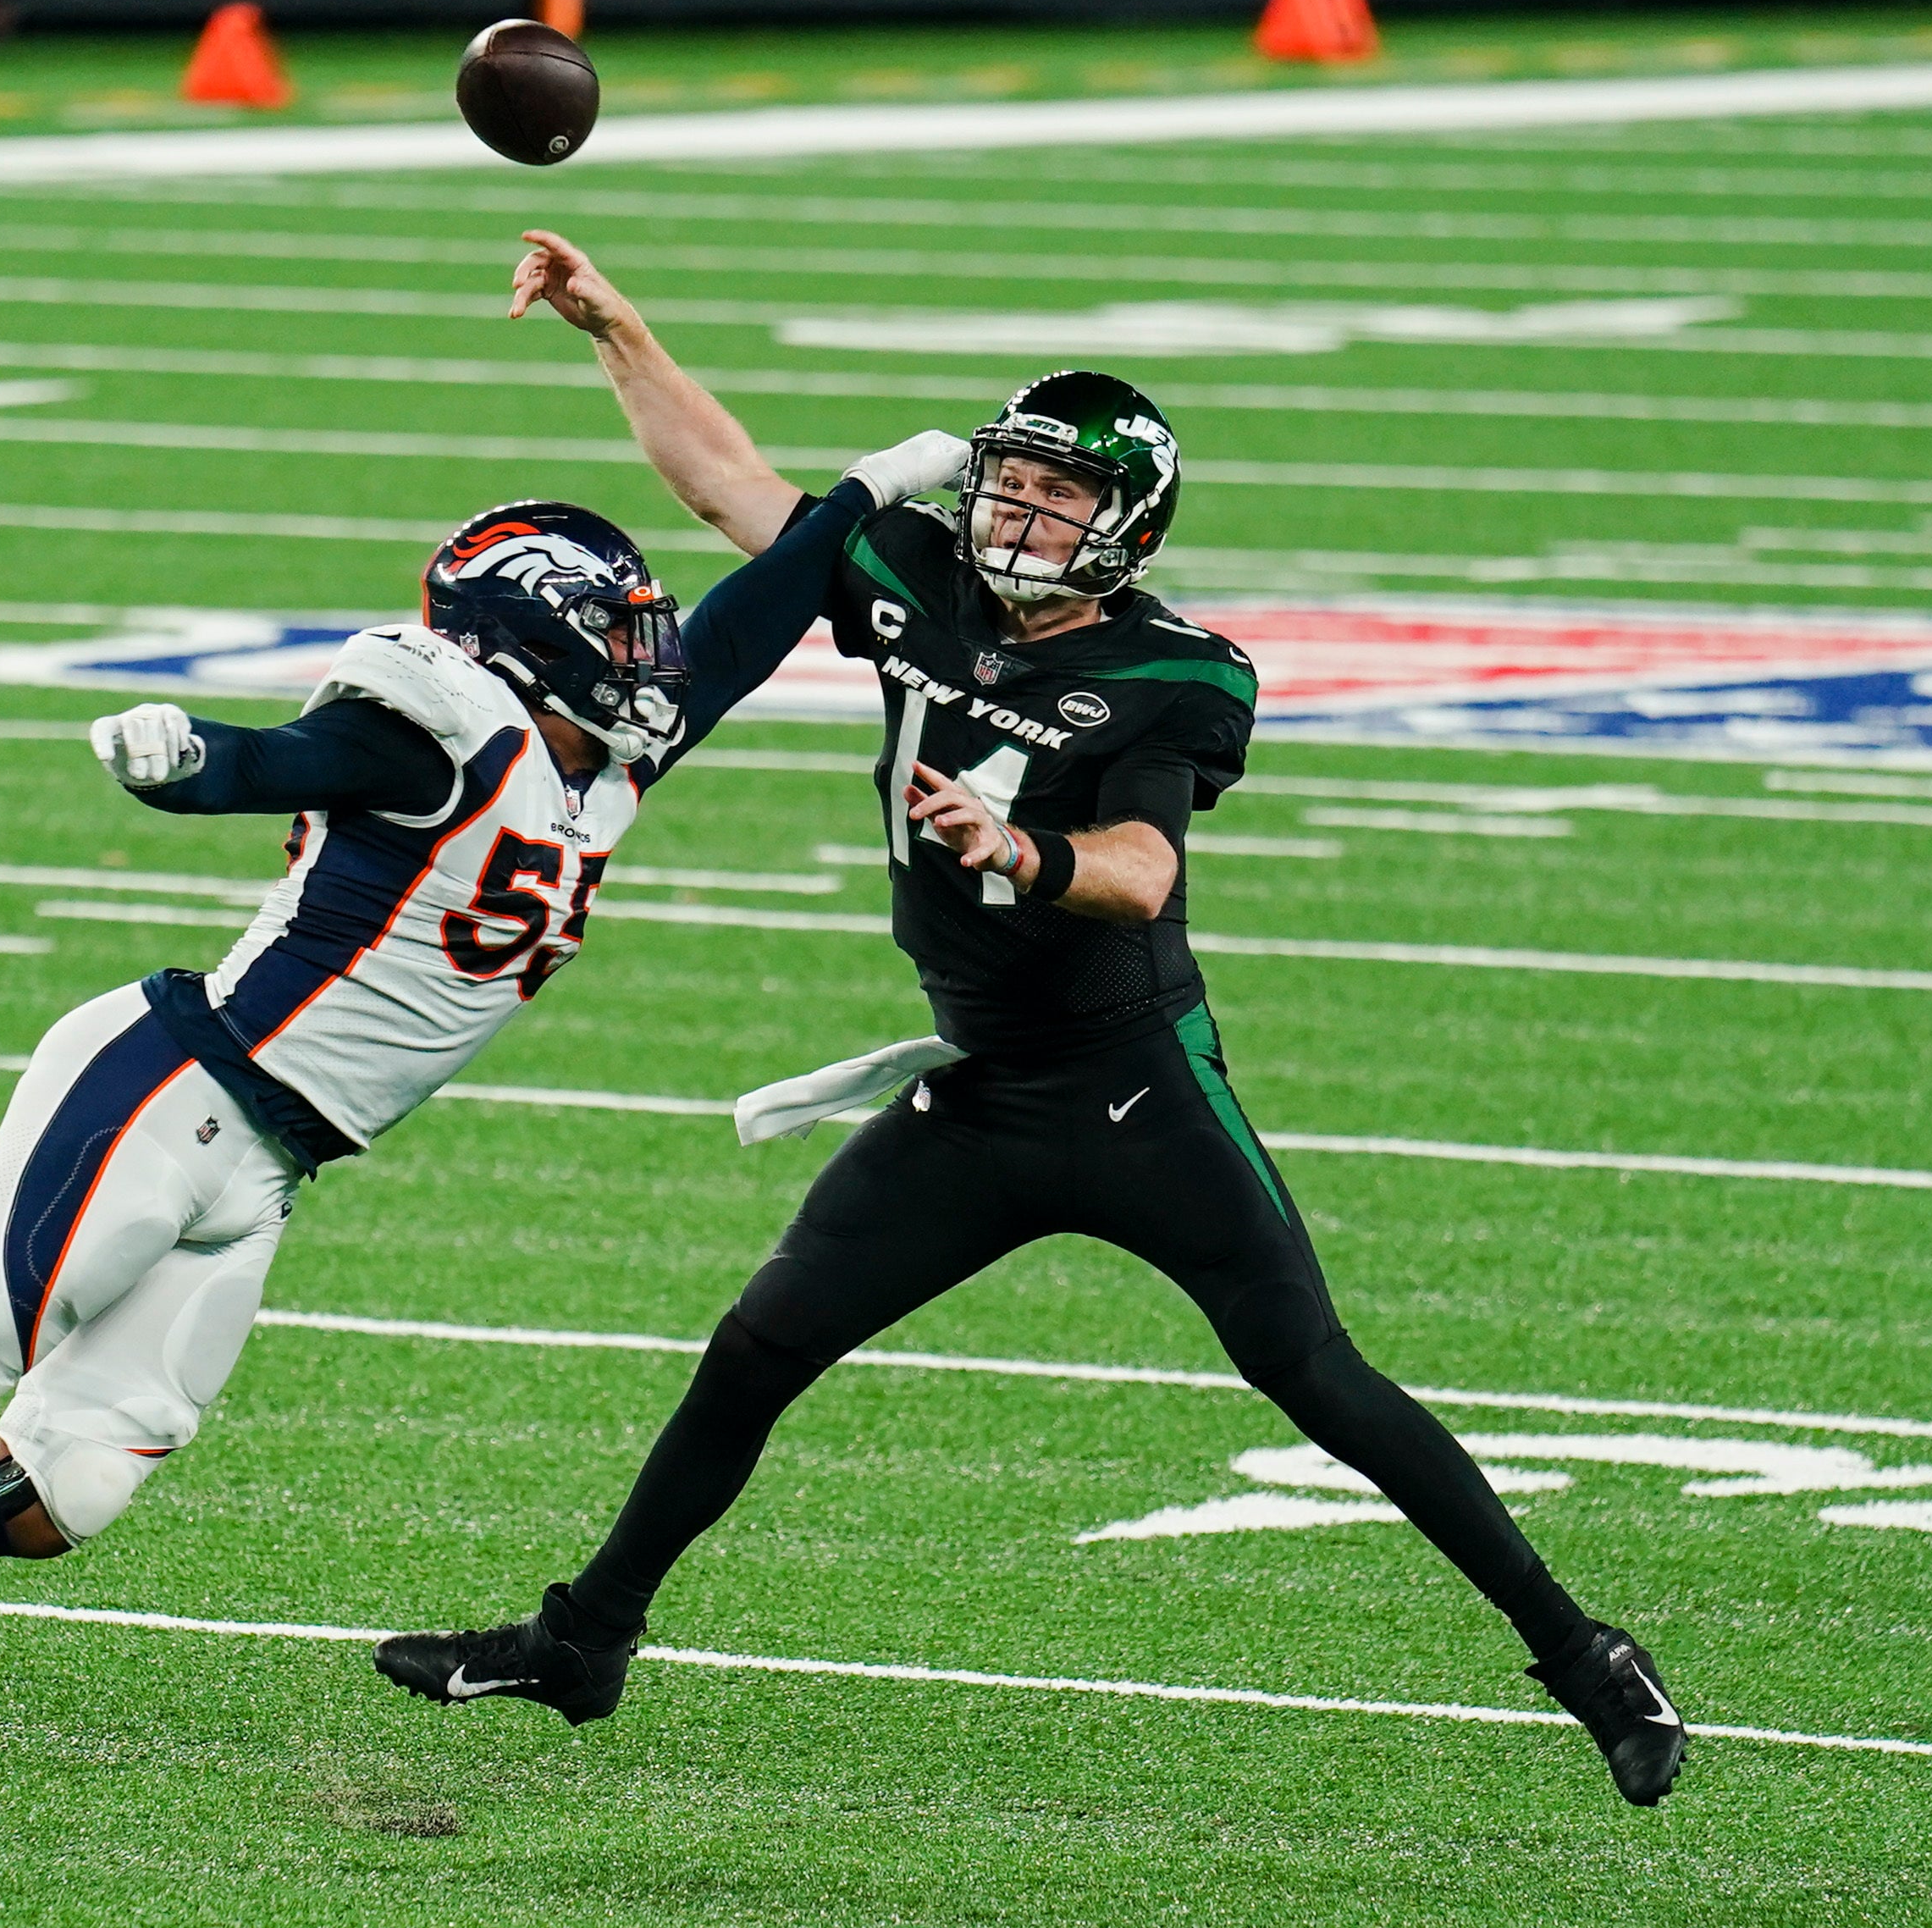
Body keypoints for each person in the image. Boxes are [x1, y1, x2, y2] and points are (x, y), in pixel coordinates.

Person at [373, 231, 1686, 1809]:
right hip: (982, 1089)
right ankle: (585, 1642)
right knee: (760, 1344)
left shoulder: (1177, 672)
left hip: (1132, 1083)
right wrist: (614, 327)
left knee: (1314, 1371)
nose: (1017, 510)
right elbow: (731, 486)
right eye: (1013, 480)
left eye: (1062, 496)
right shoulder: (920, 577)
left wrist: (1022, 849)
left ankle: (1584, 1652)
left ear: (1126, 525)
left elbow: (1139, 874)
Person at [0, 445, 975, 1841]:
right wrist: (184, 760)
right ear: (529, 633)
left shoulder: (598, 765)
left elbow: (745, 621)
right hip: (173, 1089)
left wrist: (866, 492)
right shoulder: (438, 732)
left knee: (54, 1496)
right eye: (617, 622)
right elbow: (282, 757)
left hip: (267, 1164)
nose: (652, 650)